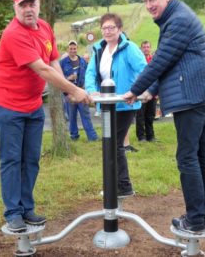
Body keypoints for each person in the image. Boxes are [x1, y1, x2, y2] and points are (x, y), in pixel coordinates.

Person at [0, 0, 91, 233]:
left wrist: (68, 85)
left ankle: (27, 208)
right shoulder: (14, 34)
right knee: (12, 159)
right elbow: (42, 69)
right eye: (22, 5)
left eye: (31, 3)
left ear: (38, 6)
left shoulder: (44, 27)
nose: (28, 9)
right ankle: (13, 213)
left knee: (31, 159)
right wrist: (73, 91)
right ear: (15, 8)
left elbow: (53, 59)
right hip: (8, 105)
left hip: (33, 104)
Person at [123, 0, 205, 234]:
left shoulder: (177, 20)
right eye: (145, 1)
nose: (149, 5)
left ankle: (195, 219)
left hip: (193, 96)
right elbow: (170, 61)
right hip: (201, 94)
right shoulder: (176, 17)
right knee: (204, 155)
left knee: (188, 157)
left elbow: (160, 62)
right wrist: (151, 91)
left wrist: (134, 90)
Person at [85, 13, 147, 196]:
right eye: (104, 28)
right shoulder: (98, 49)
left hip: (124, 103)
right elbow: (90, 73)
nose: (108, 31)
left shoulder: (129, 48)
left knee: (114, 143)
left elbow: (144, 70)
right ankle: (117, 185)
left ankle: (123, 186)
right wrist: (91, 90)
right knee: (109, 143)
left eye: (112, 27)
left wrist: (136, 91)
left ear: (119, 29)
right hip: (105, 104)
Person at [60, 40, 98, 141]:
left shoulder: (82, 61)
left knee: (85, 115)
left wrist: (86, 88)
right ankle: (74, 136)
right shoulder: (62, 63)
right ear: (68, 49)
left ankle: (92, 137)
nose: (73, 50)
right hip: (69, 94)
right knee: (72, 116)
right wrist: (68, 78)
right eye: (71, 48)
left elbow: (87, 75)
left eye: (75, 48)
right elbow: (59, 78)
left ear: (77, 49)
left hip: (81, 91)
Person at [136, 40, 157, 142]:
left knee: (150, 115)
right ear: (141, 48)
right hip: (141, 92)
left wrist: (156, 91)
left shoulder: (154, 60)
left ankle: (150, 136)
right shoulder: (138, 60)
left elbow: (157, 76)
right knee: (140, 115)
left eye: (148, 47)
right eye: (144, 47)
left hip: (152, 91)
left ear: (150, 48)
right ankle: (141, 136)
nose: (146, 49)